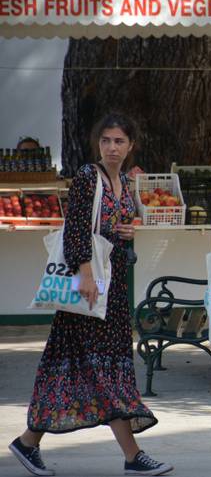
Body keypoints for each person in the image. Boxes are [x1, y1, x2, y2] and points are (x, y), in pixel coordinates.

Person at [8, 113, 172, 477]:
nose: (112, 148)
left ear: (131, 146)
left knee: (80, 370)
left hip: (111, 290)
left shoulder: (125, 183)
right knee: (103, 370)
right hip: (92, 288)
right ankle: (133, 457)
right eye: (106, 141)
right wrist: (85, 274)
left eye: (119, 142)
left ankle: (27, 442)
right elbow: (77, 231)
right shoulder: (87, 176)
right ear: (98, 143)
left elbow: (112, 228)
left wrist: (128, 232)